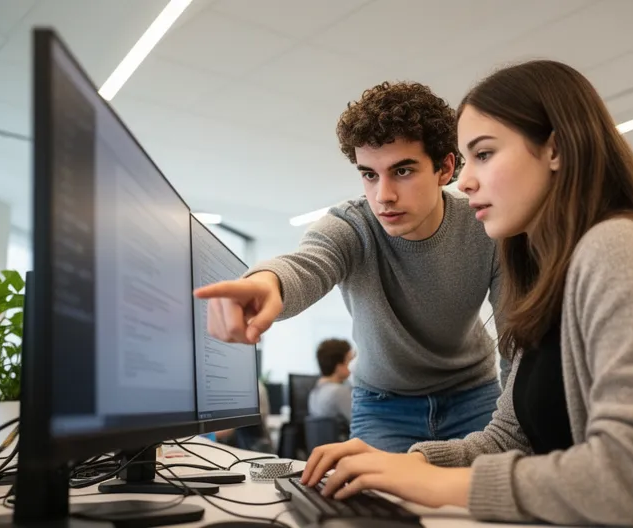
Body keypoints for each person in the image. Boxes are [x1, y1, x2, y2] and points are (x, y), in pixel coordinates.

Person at [300, 60, 633, 527]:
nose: (465, 181)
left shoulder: (618, 248)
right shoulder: (548, 273)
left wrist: (438, 485)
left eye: (484, 154)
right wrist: (412, 463)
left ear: (554, 150)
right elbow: (509, 439)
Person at [195, 82, 506, 453]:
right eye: (369, 174)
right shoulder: (351, 225)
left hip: (474, 394)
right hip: (383, 405)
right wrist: (268, 283)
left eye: (403, 171)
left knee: (486, 488)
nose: (383, 196)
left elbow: (518, 342)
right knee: (374, 492)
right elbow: (308, 263)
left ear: (445, 168)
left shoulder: (486, 226)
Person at [308, 338, 354, 423]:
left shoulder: (314, 392)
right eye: (350, 360)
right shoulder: (339, 392)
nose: (353, 365)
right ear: (339, 366)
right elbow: (362, 423)